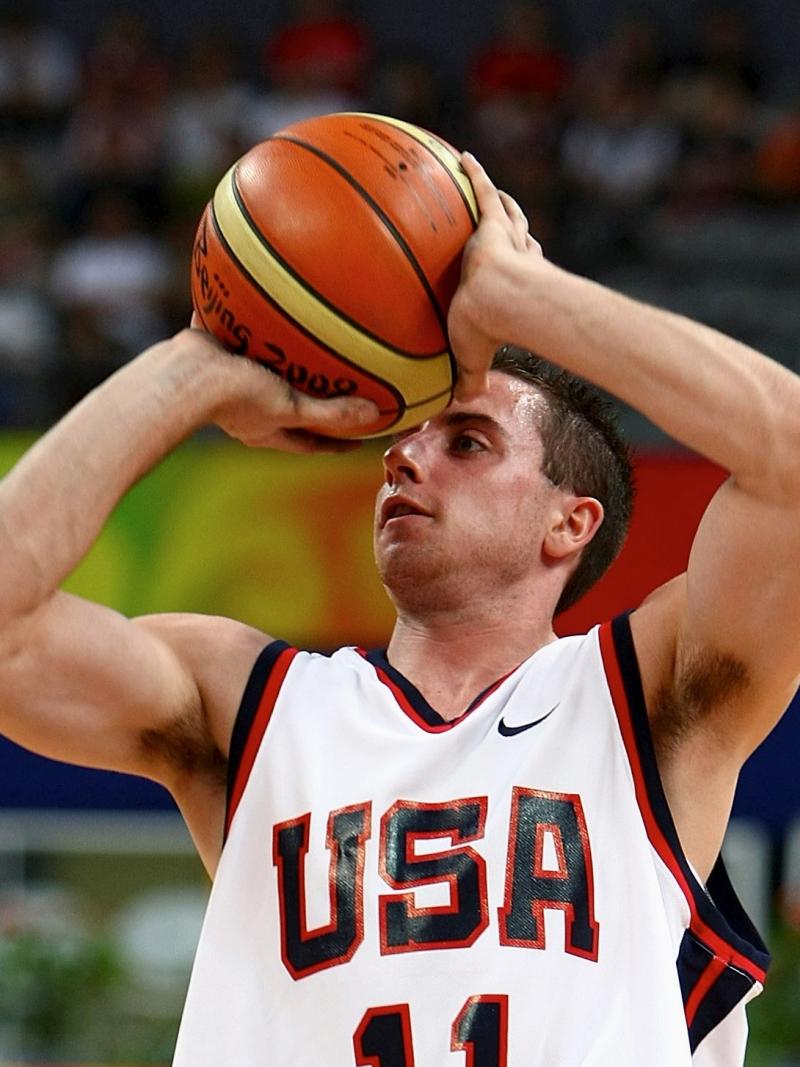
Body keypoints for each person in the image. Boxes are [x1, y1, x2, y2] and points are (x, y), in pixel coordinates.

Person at [0, 151, 797, 1066]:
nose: (404, 459)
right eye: (407, 438)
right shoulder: (249, 702)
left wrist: (523, 299)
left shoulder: (645, 698)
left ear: (569, 522)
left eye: (467, 440)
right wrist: (197, 368)